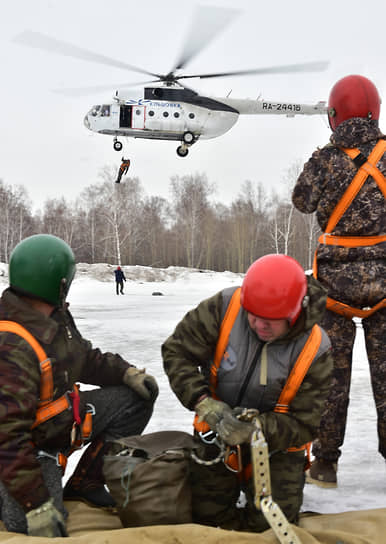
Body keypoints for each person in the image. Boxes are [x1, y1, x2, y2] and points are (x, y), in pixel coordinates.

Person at [0, 234, 159, 537]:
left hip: (55, 423)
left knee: (136, 399)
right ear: (60, 284)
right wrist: (35, 503)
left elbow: (83, 359)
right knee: (37, 526)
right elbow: (7, 438)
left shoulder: (54, 316)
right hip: (26, 446)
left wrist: (126, 373)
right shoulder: (11, 347)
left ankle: (87, 482)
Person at [162, 254, 333, 532]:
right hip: (216, 431)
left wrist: (256, 428)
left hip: (278, 447)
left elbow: (306, 424)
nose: (259, 326)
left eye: (271, 321)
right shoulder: (224, 307)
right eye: (253, 317)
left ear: (296, 313)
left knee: (270, 528)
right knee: (207, 522)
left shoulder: (316, 349)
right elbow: (177, 351)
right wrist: (204, 403)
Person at [292, 74, 386, 488]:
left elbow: (301, 201)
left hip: (335, 291)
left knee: (331, 380)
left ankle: (325, 464)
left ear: (333, 115)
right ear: (375, 111)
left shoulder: (325, 159)